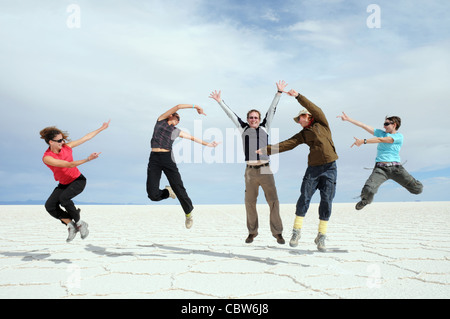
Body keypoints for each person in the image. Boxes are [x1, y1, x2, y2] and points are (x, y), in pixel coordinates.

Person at [257, 89, 338, 252]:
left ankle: (321, 235)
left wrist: (298, 97)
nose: (299, 120)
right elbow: (289, 143)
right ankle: (296, 231)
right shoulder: (303, 134)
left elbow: (316, 108)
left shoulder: (321, 123)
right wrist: (267, 149)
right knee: (305, 198)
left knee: (326, 201)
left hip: (330, 168)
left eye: (301, 117)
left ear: (308, 116)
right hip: (313, 170)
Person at [209, 81, 288, 245]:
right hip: (250, 171)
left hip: (266, 169)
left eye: (256, 117)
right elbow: (231, 115)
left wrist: (278, 93)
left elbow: (272, 110)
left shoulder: (265, 127)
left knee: (273, 201)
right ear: (247, 119)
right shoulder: (243, 128)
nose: (253, 119)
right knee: (250, 203)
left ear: (259, 119)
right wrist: (219, 102)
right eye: (251, 117)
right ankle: (252, 232)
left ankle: (278, 233)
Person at [147, 104, 219, 229]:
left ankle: (188, 213)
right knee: (152, 194)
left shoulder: (176, 131)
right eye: (175, 115)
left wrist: (208, 145)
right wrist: (196, 106)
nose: (176, 117)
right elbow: (179, 106)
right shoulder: (160, 121)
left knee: (178, 187)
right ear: (170, 116)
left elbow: (192, 138)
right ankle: (168, 192)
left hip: (167, 158)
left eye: (178, 118)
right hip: (154, 158)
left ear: (178, 122)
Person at [40, 120, 110, 242]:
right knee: (50, 206)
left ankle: (80, 223)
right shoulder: (47, 158)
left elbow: (85, 138)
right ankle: (71, 225)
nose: (63, 142)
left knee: (64, 199)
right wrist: (88, 159)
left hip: (78, 181)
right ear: (51, 142)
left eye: (63, 139)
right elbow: (69, 164)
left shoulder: (67, 147)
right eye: (59, 141)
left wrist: (101, 128)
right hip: (63, 184)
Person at [337, 112, 423, 210]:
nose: (384, 126)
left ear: (394, 125)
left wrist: (363, 141)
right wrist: (348, 119)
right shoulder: (381, 133)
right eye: (384, 124)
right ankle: (365, 201)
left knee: (418, 189)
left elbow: (381, 140)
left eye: (386, 124)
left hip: (397, 169)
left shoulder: (399, 137)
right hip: (380, 170)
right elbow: (363, 125)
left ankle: (416, 183)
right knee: (368, 189)